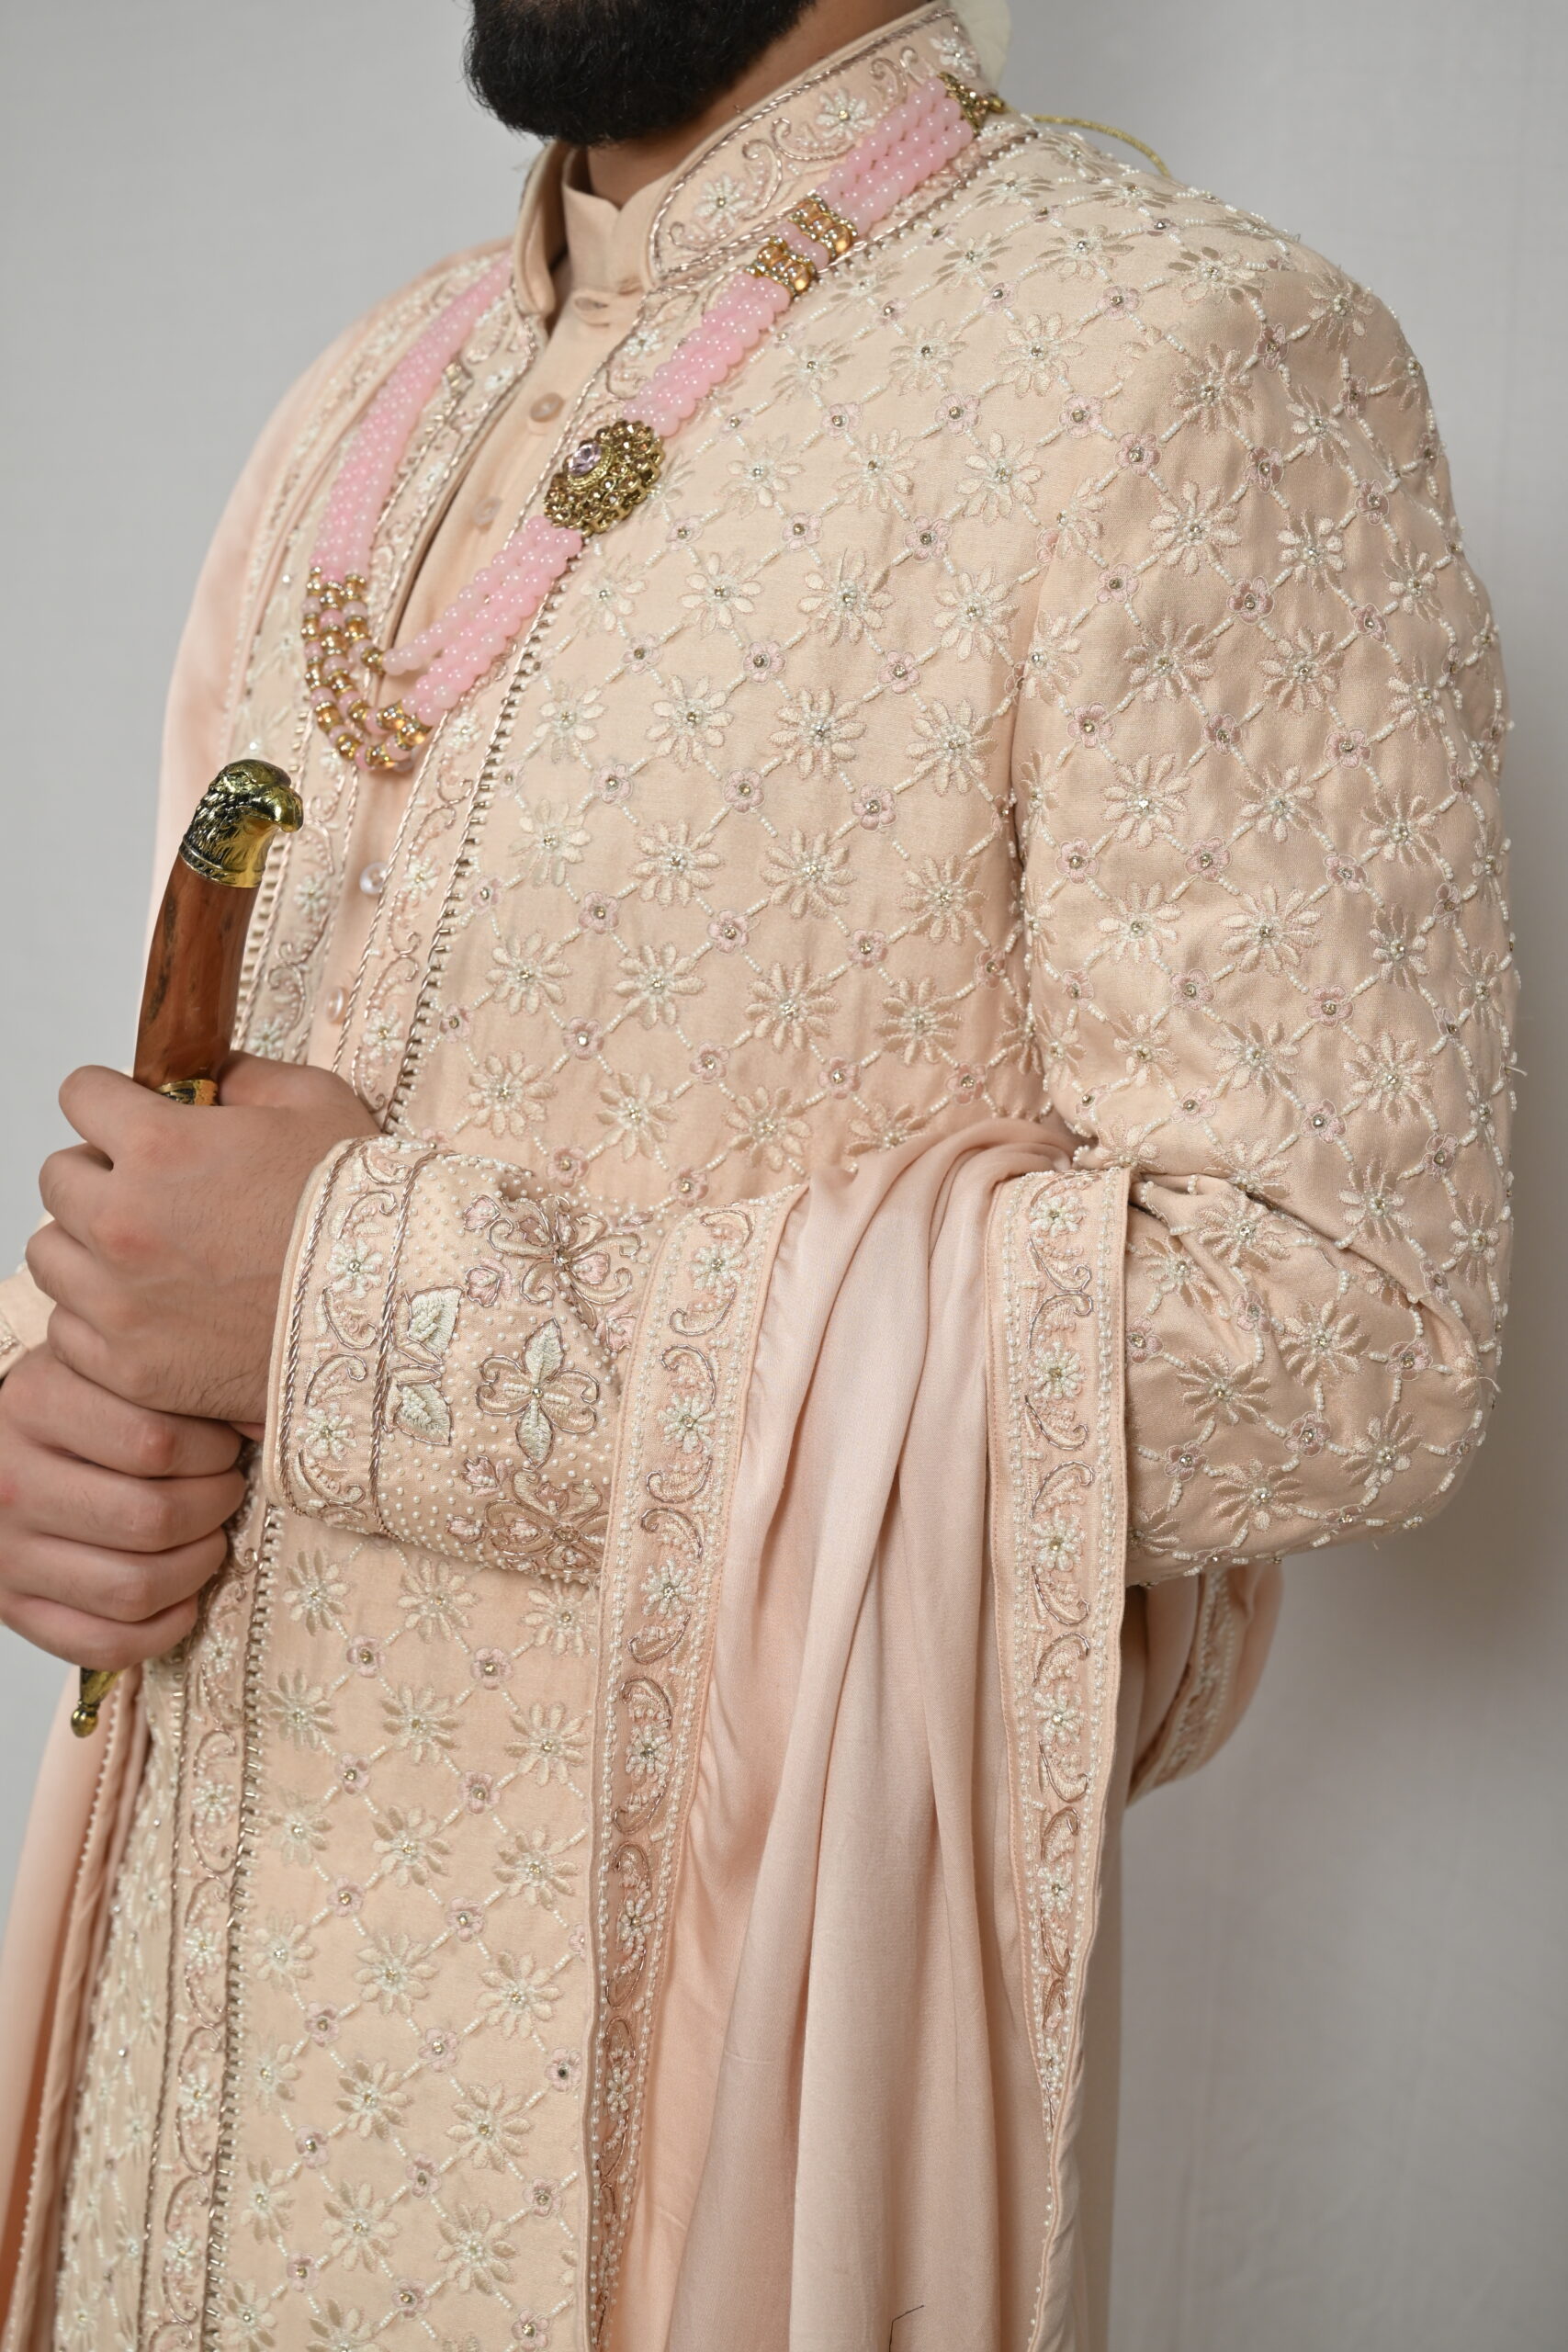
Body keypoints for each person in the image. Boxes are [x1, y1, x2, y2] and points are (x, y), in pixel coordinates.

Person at [0, 2, 1516, 2346]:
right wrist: (60, 1394)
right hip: (160, 2092)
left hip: (675, 2106)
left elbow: (1343, 1338)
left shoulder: (1182, 360)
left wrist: (355, 1304)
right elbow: (204, 1158)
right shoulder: (371, 392)